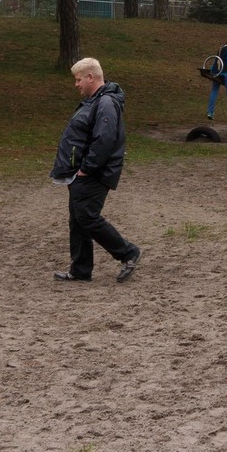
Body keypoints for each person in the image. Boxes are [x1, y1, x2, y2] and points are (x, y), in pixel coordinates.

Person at [52, 57, 141, 283]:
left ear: (90, 77)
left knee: (87, 217)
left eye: (78, 79)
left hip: (94, 174)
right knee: (78, 219)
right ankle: (80, 270)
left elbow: (104, 140)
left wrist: (86, 169)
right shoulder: (96, 102)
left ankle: (128, 253)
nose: (76, 84)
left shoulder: (106, 104)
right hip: (82, 173)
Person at [207, 37, 227, 121]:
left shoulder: (220, 49)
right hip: (226, 73)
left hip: (216, 72)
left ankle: (210, 112)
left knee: (214, 91)